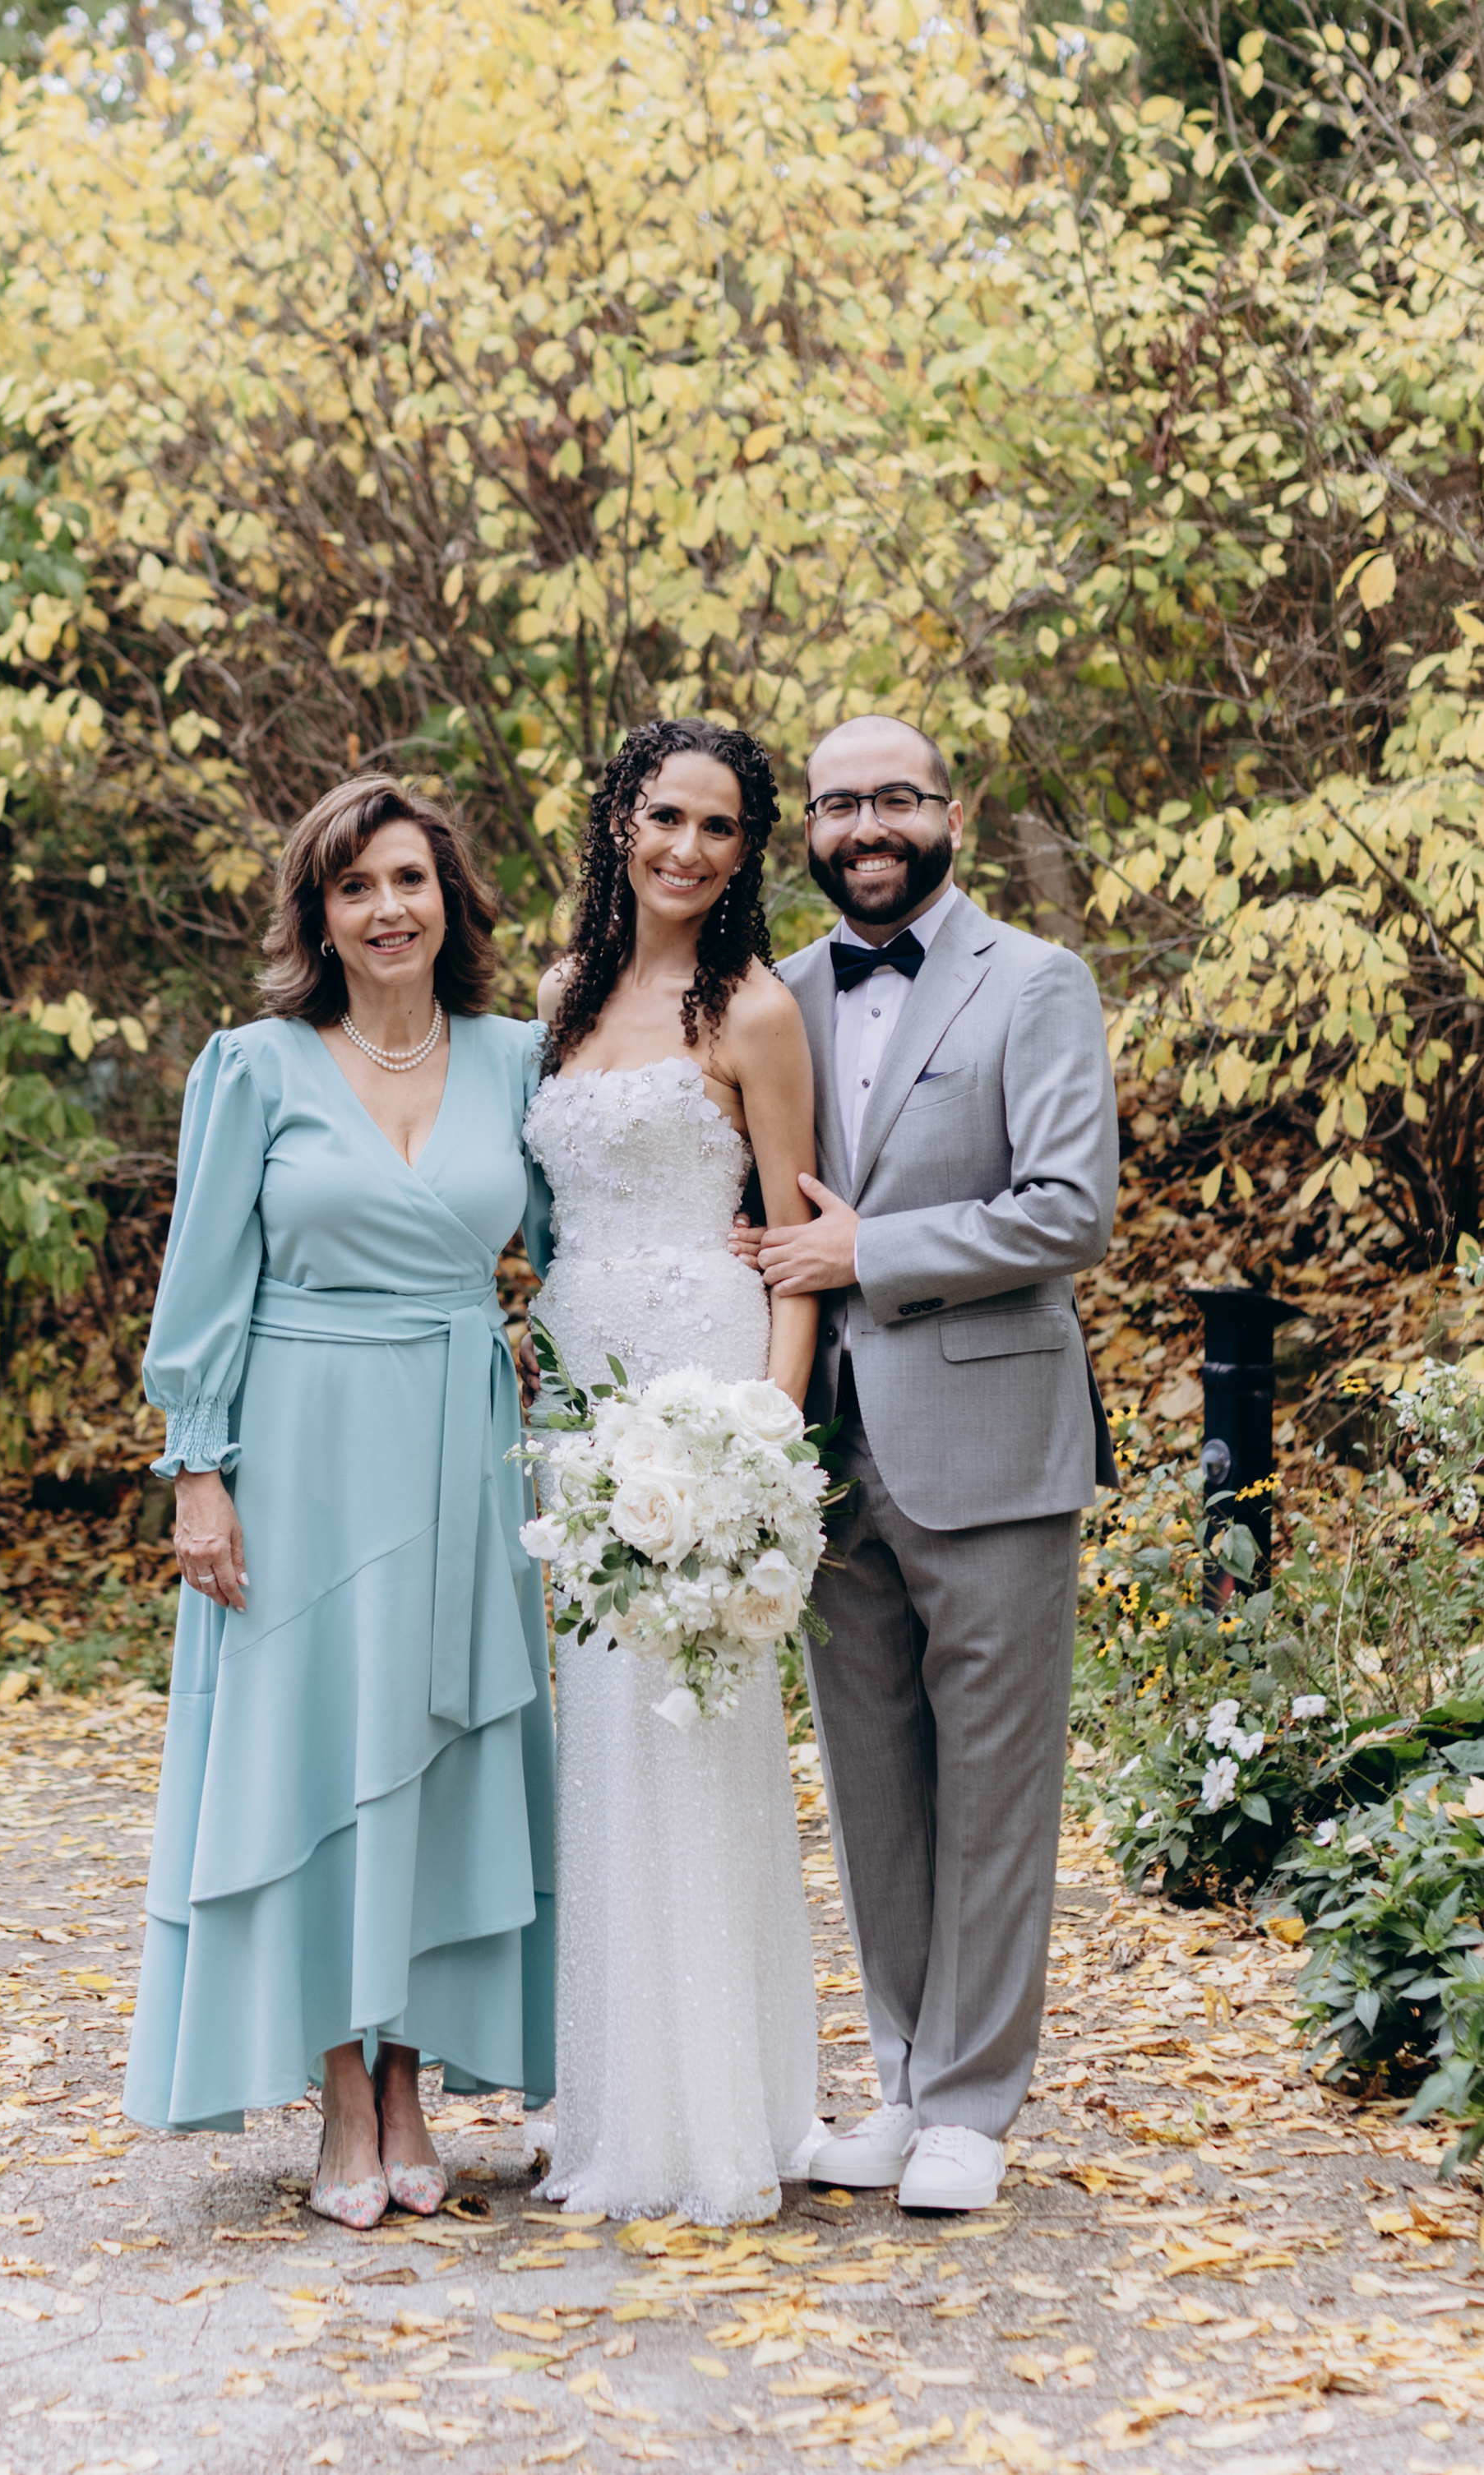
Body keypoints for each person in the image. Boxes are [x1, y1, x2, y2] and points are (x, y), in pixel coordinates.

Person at [123, 776, 556, 2230]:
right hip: (299, 1448)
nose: (387, 908)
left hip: (462, 1445)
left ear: (451, 898)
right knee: (311, 1759)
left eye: (409, 878)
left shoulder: (519, 1058)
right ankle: (340, 2095)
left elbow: (576, 1256)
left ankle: (411, 2078)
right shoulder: (253, 1067)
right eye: (355, 885)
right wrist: (199, 1471)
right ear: (318, 913)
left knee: (439, 1754)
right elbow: (203, 1284)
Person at [755, 714, 1118, 2214]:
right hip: (825, 1450)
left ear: (948, 814)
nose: (868, 828)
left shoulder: (1034, 980)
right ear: (809, 830)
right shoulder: (772, 993)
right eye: (839, 804)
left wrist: (872, 1251)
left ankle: (974, 2101)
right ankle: (905, 2081)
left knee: (995, 1784)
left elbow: (1070, 1209)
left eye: (895, 798)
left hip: (991, 1440)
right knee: (874, 1788)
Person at [523, 716, 821, 2225]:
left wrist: (764, 1448)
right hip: (578, 1400)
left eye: (719, 826)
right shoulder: (558, 995)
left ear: (747, 851)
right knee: (599, 1736)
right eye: (664, 816)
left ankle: (715, 2120)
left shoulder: (756, 1011)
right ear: (618, 823)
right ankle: (612, 2103)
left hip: (703, 1395)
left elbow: (797, 1247)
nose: (686, 849)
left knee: (694, 1729)